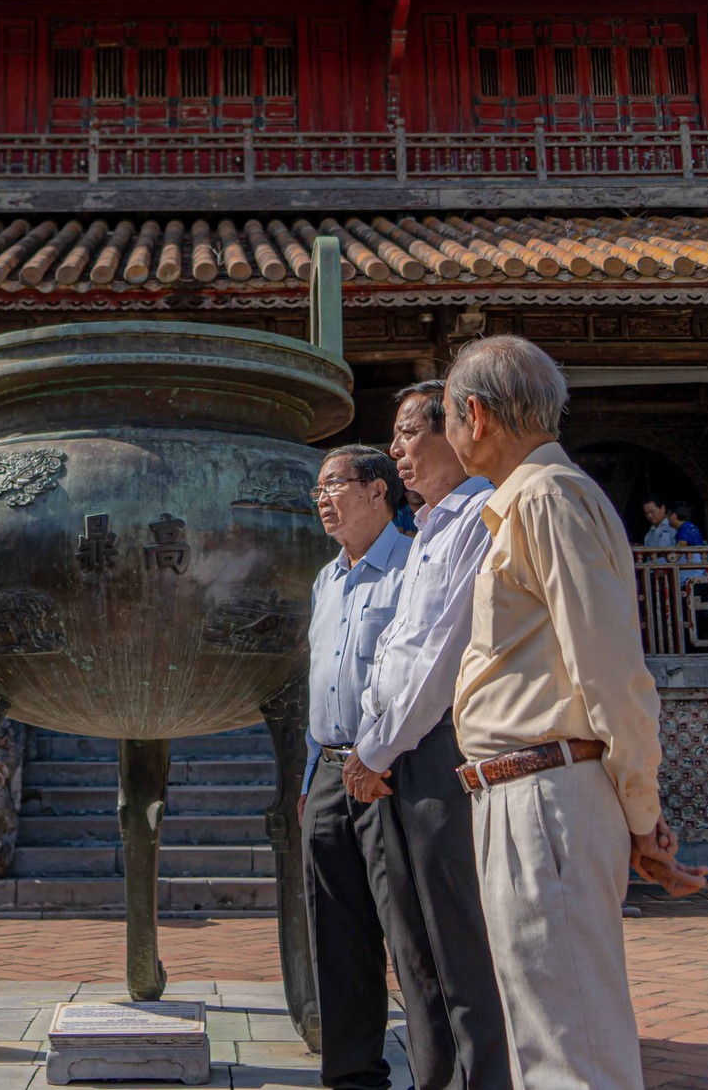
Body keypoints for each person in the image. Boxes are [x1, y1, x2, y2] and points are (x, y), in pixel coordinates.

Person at [443, 335, 708, 1090]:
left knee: (570, 1046)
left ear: (475, 414)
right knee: (547, 1033)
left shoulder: (548, 496)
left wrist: (639, 810)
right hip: (520, 788)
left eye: (449, 420)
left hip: (545, 788)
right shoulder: (529, 499)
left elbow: (611, 669)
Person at [342, 382, 510, 1090]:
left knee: (457, 933)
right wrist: (373, 746)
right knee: (412, 938)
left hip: (437, 743)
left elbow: (441, 654)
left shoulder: (478, 517)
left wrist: (375, 749)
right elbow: (396, 652)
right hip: (391, 751)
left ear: (456, 430)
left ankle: (483, 1077)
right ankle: (435, 1074)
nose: (397, 448)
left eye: (410, 431)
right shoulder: (428, 528)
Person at [302, 445, 415, 1090]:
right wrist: (307, 778)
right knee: (337, 933)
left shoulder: (411, 567)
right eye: (317, 489)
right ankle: (352, 1075)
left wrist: (381, 755)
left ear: (377, 491)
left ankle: (436, 1068)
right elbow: (317, 684)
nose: (323, 498)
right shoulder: (327, 579)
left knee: (405, 927)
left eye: (335, 484)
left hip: (389, 767)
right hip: (329, 768)